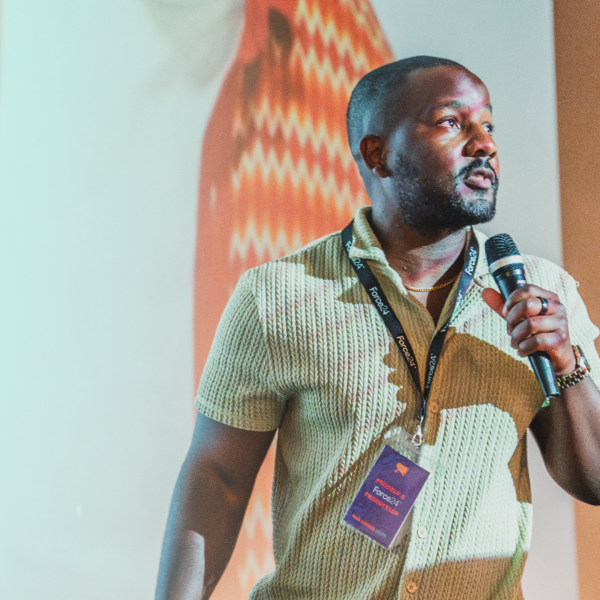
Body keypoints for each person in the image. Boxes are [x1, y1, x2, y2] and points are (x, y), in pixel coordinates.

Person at [156, 56, 600, 600]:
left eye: (488, 125)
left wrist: (567, 363)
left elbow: (594, 480)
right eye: (451, 122)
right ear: (377, 153)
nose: (484, 144)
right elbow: (216, 478)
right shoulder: (279, 295)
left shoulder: (541, 293)